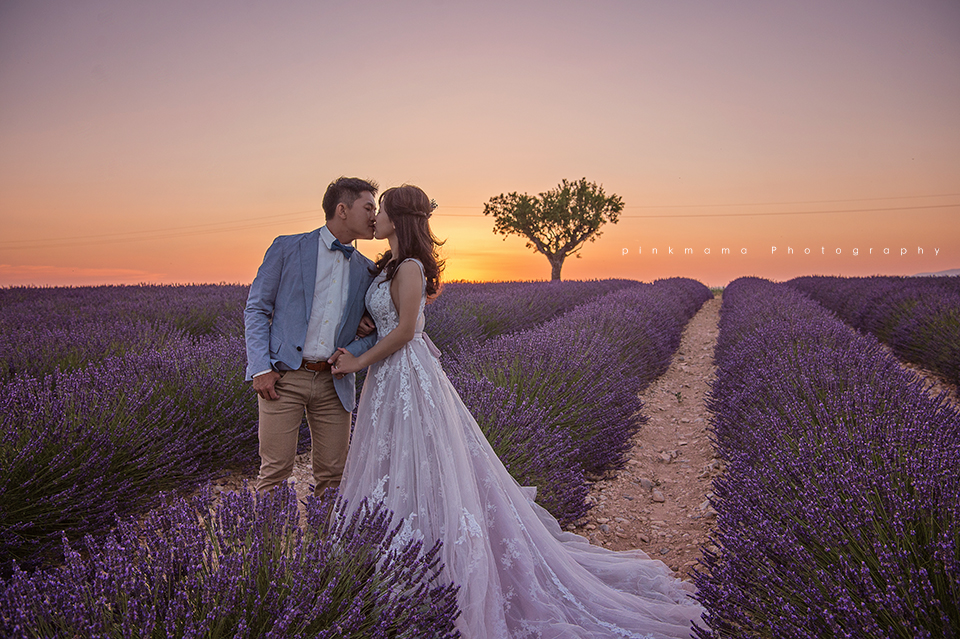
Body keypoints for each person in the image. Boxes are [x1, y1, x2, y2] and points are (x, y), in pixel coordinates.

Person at [331, 184, 705, 639]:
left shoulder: (408, 267)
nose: (376, 217)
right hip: (389, 381)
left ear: (400, 219)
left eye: (382, 209)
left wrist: (356, 360)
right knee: (399, 462)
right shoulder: (389, 265)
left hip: (407, 376)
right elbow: (386, 318)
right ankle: (393, 560)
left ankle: (428, 569)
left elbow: (407, 331)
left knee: (424, 460)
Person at [244, 176, 380, 496]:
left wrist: (355, 352)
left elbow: (376, 330)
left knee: (333, 476)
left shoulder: (368, 269)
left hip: (335, 382)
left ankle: (326, 545)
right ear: (342, 210)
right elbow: (256, 309)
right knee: (275, 471)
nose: (375, 215)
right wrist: (260, 368)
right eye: (369, 207)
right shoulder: (287, 247)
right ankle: (269, 545)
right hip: (283, 376)